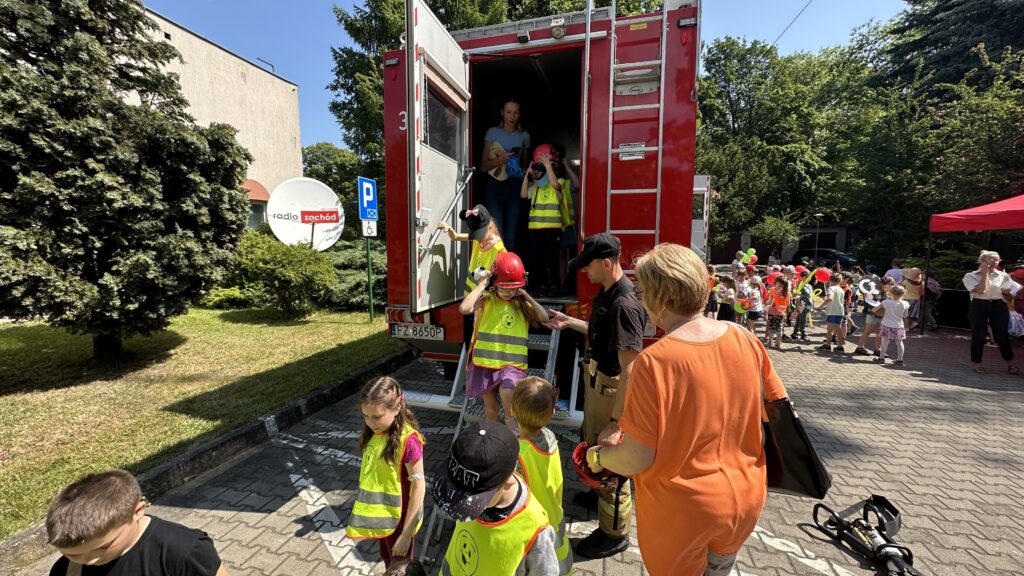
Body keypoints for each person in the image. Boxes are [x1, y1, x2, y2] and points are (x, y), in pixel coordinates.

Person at [585, 243, 788, 576]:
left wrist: (596, 458)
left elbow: (636, 458)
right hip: (746, 499)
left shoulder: (654, 363)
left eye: (643, 290)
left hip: (683, 515)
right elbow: (774, 410)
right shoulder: (745, 338)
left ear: (659, 298)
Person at [545, 233, 646, 558]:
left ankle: (613, 533)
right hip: (597, 385)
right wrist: (570, 321)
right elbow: (604, 335)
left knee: (612, 462)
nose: (583, 272)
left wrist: (617, 422)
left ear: (606, 263)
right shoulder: (607, 294)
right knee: (592, 446)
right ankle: (598, 492)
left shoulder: (624, 304)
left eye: (588, 266)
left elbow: (630, 368)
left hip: (611, 391)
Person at [432, 420, 559, 575]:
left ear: (508, 481)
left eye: (473, 498)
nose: (459, 503)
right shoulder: (469, 492)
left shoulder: (534, 528)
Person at [45, 469, 229, 575]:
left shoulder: (183, 550)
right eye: (74, 555)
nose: (90, 561)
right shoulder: (66, 570)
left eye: (104, 546)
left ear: (138, 511)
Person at [346, 377, 426, 569]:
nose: (370, 422)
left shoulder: (408, 441)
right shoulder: (376, 433)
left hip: (401, 517)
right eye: (365, 416)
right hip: (384, 515)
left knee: (399, 568)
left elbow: (419, 486)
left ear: (396, 408)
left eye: (377, 417)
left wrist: (406, 534)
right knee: (387, 557)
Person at [461, 252, 548, 425]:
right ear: (494, 283)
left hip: (512, 365)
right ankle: (495, 444)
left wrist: (526, 295)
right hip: (486, 363)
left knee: (509, 401)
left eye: (512, 288)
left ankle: (512, 444)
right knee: (491, 411)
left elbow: (544, 317)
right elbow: (464, 308)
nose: (507, 292)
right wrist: (482, 285)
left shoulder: (521, 304)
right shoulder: (487, 299)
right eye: (503, 288)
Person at [511, 377, 573, 575]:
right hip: (555, 517)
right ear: (552, 412)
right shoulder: (550, 437)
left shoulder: (516, 453)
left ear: (512, 410)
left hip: (532, 529)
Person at [438, 205, 507, 347]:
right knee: (470, 341)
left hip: (484, 303)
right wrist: (448, 228)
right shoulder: (479, 239)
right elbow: (456, 236)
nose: (478, 239)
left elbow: (501, 281)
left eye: (479, 235)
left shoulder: (499, 250)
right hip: (471, 298)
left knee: (478, 341)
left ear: (490, 228)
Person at [480, 99, 530, 251]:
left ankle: (509, 272)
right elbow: (482, 166)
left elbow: (525, 167)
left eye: (515, 112)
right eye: (508, 112)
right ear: (502, 112)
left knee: (511, 234)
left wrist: (522, 171)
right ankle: (496, 271)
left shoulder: (524, 136)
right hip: (494, 185)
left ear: (519, 114)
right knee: (495, 233)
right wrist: (500, 160)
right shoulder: (492, 132)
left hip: (515, 186)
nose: (512, 116)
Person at [963, 250, 1021, 375]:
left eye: (996, 259)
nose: (994, 262)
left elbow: (1009, 298)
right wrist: (984, 275)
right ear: (982, 261)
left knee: (1002, 337)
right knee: (979, 336)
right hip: (979, 304)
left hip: (998, 305)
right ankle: (977, 363)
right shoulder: (970, 275)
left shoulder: (1004, 276)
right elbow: (981, 291)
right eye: (991, 259)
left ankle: (1010, 363)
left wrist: (1007, 293)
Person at [520, 144, 564, 297]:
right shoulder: (535, 188)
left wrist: (548, 166)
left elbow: (555, 184)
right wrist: (527, 176)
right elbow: (524, 195)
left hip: (552, 230)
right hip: (536, 230)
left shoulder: (558, 184)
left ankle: (554, 287)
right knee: (537, 260)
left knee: (551, 261)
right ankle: (542, 286)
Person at [553, 145, 580, 295]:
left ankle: (567, 284)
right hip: (552, 225)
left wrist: (565, 164)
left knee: (570, 256)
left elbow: (577, 184)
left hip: (567, 225)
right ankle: (559, 283)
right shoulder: (546, 182)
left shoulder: (566, 183)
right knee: (559, 257)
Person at [855, 276, 895, 356]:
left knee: (880, 333)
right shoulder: (875, 291)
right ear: (881, 284)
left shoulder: (892, 293)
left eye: (890, 287)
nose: (888, 289)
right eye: (886, 287)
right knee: (868, 331)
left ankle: (878, 349)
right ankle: (860, 347)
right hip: (873, 314)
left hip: (884, 316)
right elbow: (870, 301)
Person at [873, 285, 909, 366]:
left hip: (887, 324)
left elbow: (874, 309)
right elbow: (905, 315)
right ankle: (900, 360)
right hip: (899, 325)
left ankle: (881, 358)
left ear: (891, 293)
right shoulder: (905, 303)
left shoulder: (886, 302)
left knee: (885, 341)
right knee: (899, 342)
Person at [817, 273, 846, 353]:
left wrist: (821, 306)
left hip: (832, 311)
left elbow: (830, 298)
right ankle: (840, 347)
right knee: (838, 329)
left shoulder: (831, 288)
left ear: (830, 280)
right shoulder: (841, 289)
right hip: (840, 311)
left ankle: (827, 345)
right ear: (840, 281)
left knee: (829, 330)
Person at [765, 276, 790, 350]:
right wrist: (786, 313)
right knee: (779, 329)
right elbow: (788, 304)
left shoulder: (772, 291)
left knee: (771, 328)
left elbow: (769, 302)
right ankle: (778, 344)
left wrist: (765, 306)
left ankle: (770, 343)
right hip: (782, 313)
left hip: (772, 312)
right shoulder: (787, 293)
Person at [789, 269, 813, 342]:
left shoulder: (809, 286)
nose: (810, 278)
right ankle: (803, 334)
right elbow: (798, 297)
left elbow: (810, 296)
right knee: (802, 320)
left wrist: (812, 306)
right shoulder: (800, 285)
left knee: (800, 319)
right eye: (808, 277)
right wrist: (797, 306)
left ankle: (795, 333)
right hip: (802, 305)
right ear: (804, 277)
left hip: (808, 305)